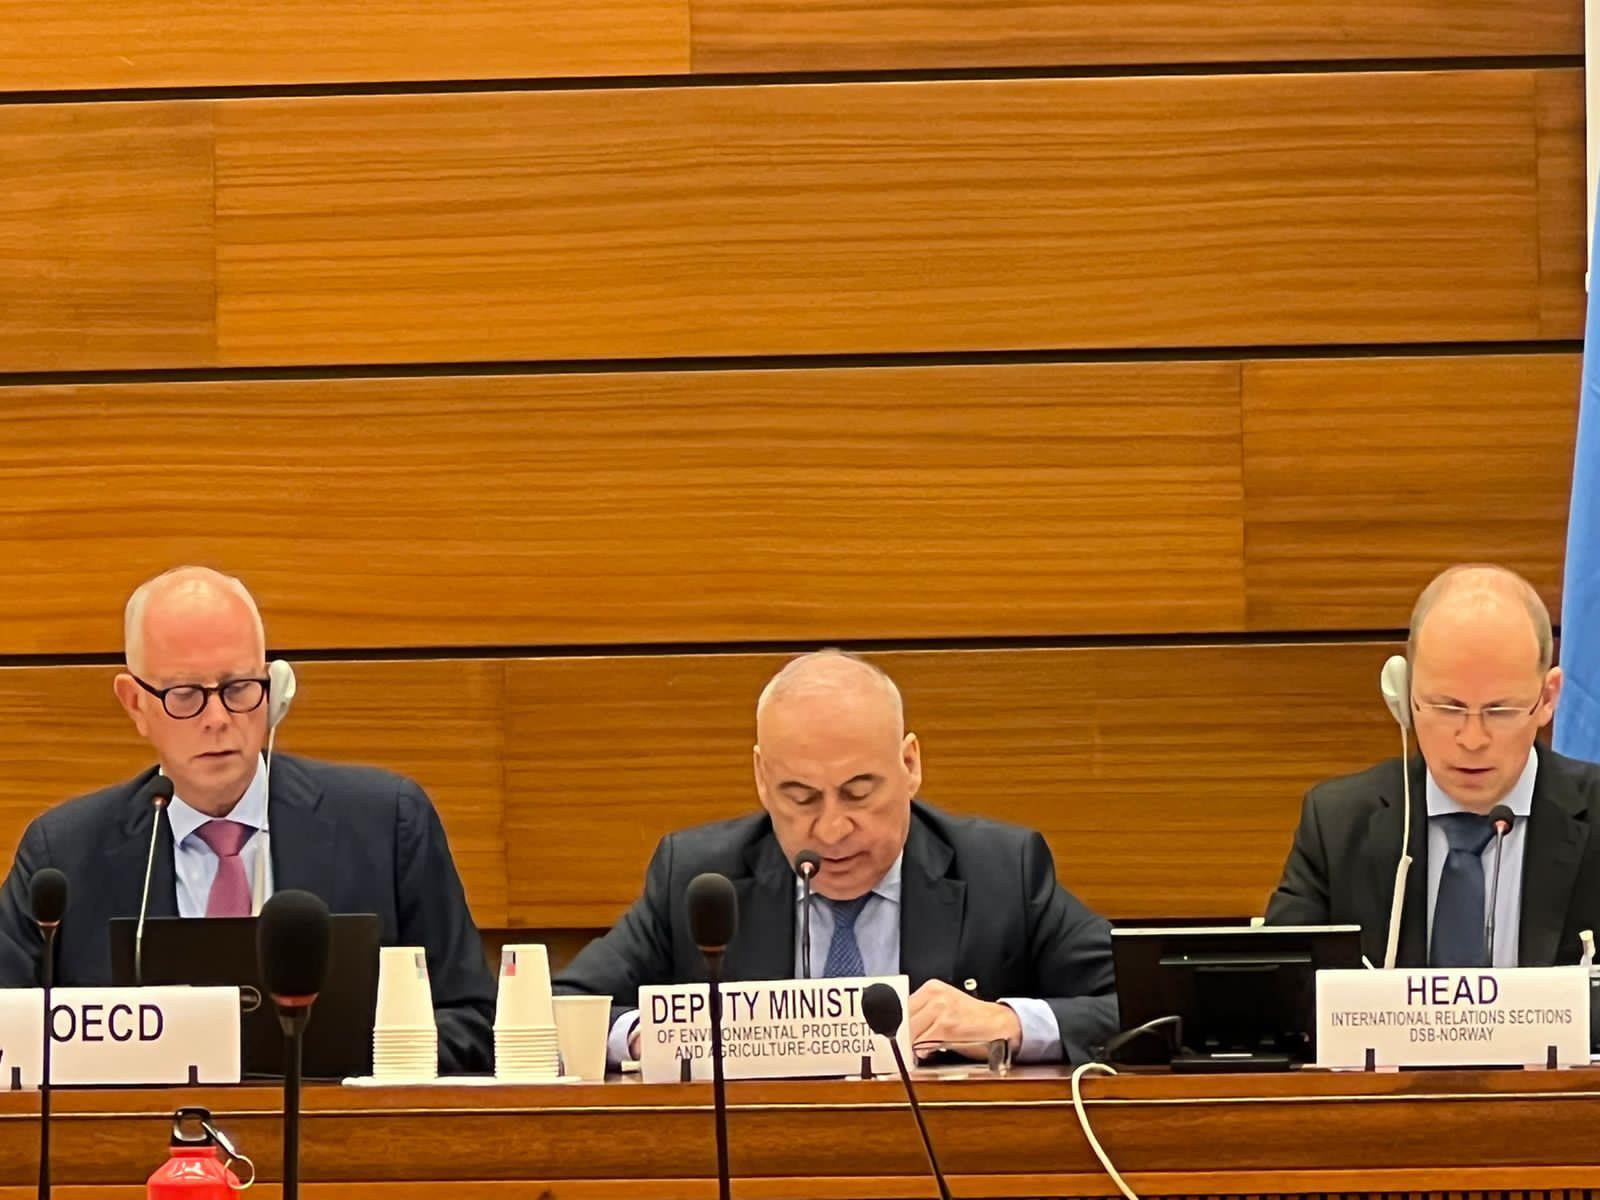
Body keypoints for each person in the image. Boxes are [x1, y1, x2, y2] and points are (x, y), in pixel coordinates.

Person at [0, 566, 495, 1073]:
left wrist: (360, 1057)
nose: (217, 719)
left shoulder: (386, 826)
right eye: (185, 695)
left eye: (238, 688)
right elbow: (6, 1038)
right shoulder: (63, 857)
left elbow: (474, 1026)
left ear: (274, 690)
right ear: (136, 704)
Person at [556, 649, 1118, 1066]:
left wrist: (1010, 1022)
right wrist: (652, 1037)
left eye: (858, 792)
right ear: (761, 778)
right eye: (800, 797)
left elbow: (1142, 1007)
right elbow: (559, 1007)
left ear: (910, 765)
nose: (831, 829)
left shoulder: (1000, 871)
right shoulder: (700, 879)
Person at [1266, 563, 1600, 968]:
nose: (1472, 740)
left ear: (1547, 698)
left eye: (1500, 711)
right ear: (1405, 694)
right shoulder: (1337, 827)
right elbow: (1283, 990)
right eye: (1447, 708)